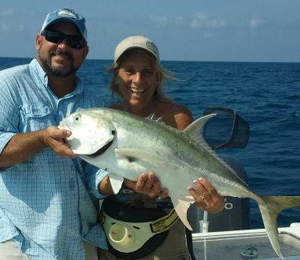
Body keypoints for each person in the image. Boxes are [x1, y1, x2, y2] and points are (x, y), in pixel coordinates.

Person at [98, 36, 225, 260]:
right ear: (116, 75)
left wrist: (212, 204)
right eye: (129, 70)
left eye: (147, 72)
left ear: (158, 77)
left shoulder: (177, 116)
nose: (138, 80)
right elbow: (95, 177)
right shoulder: (105, 120)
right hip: (113, 235)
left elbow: (191, 179)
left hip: (165, 239)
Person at [0, 8, 112, 260]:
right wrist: (41, 139)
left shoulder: (93, 103)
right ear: (39, 41)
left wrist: (121, 181)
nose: (63, 46)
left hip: (79, 242)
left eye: (74, 42)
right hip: (19, 243)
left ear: (84, 53)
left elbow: (94, 171)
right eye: (55, 35)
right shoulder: (7, 84)